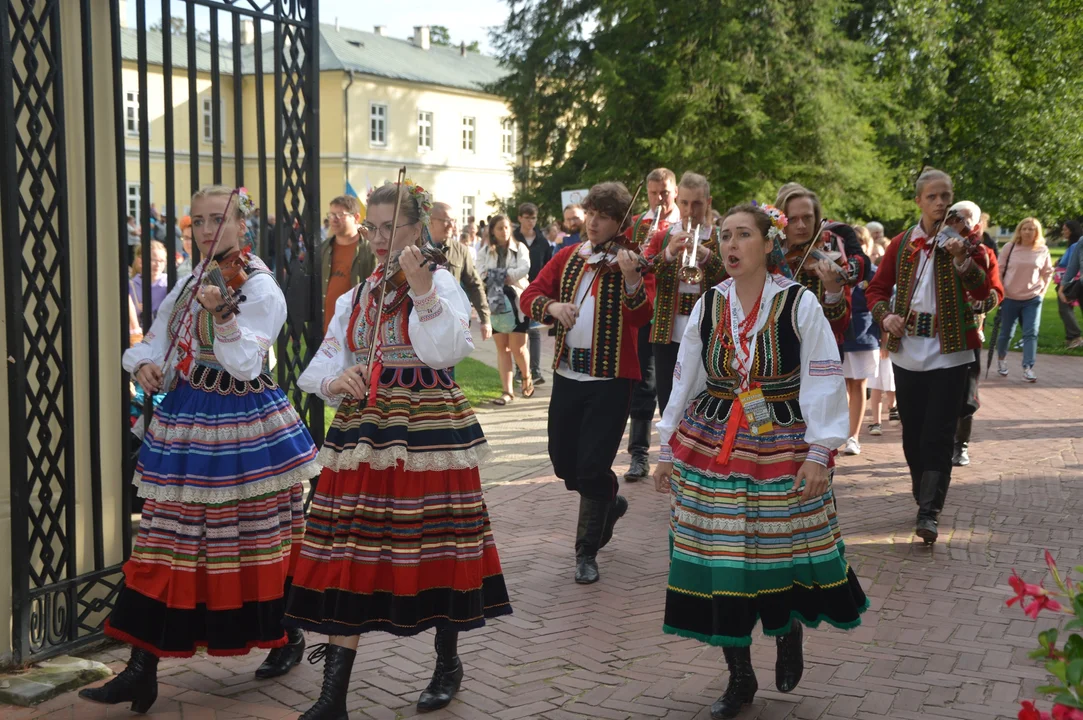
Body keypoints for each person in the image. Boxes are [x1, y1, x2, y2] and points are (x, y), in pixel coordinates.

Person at [79, 186, 320, 714]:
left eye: (219, 219)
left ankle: (290, 634)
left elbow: (246, 364)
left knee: (259, 540)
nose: (208, 230)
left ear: (242, 226)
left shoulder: (260, 288)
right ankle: (141, 669)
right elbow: (158, 345)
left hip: (243, 428)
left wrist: (225, 316)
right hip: (188, 423)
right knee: (165, 542)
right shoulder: (190, 282)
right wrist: (144, 364)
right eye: (199, 221)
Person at [286, 181, 511, 719]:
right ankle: (332, 696)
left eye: (393, 228)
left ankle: (446, 662)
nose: (382, 238)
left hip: (429, 431)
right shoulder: (357, 293)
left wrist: (423, 290)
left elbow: (448, 350)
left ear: (417, 229)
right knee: (352, 549)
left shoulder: (438, 282)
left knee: (437, 544)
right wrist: (333, 383)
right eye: (375, 228)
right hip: (363, 435)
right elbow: (323, 361)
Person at [652, 203, 867, 720]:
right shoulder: (708, 303)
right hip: (714, 441)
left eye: (743, 234)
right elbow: (686, 377)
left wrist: (821, 451)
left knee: (776, 551)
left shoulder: (798, 303)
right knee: (723, 556)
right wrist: (665, 446)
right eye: (725, 235)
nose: (730, 244)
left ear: (768, 244)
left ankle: (786, 629)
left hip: (781, 440)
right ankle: (739, 675)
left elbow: (823, 376)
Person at [521, 181, 651, 585]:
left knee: (593, 465)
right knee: (565, 464)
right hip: (567, 376)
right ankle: (609, 501)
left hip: (610, 381)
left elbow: (641, 317)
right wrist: (553, 306)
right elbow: (530, 295)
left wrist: (631, 279)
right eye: (590, 214)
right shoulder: (568, 256)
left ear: (620, 223)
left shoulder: (631, 261)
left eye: (603, 217)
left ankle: (586, 551)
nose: (593, 223)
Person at [865, 167, 1002, 543]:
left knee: (939, 434)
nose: (941, 203)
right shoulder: (901, 242)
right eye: (933, 197)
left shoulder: (972, 244)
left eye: (946, 196)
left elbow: (987, 292)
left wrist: (962, 260)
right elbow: (876, 290)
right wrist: (886, 316)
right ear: (919, 202)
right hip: (908, 351)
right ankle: (922, 489)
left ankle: (929, 511)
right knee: (913, 434)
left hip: (952, 353)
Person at [640, 171, 727, 432]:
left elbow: (729, 275)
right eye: (685, 203)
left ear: (708, 202)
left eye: (697, 203)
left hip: (709, 329)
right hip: (668, 330)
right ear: (678, 203)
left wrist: (706, 256)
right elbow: (646, 269)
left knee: (706, 396)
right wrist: (669, 253)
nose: (691, 210)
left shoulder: (721, 236)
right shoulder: (663, 235)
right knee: (669, 398)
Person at [623, 167, 680, 483]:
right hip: (646, 310)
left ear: (675, 190)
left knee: (676, 387)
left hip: (677, 313)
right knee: (643, 384)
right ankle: (639, 455)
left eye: (666, 192)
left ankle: (677, 454)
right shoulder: (637, 225)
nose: (660, 199)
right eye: (654, 193)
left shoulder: (684, 224)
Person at [948, 202, 1003, 466]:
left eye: (968, 217)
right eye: (958, 217)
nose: (963, 222)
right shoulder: (933, 247)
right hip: (936, 333)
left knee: (966, 395)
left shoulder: (983, 251)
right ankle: (942, 442)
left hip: (969, 332)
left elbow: (995, 291)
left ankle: (962, 445)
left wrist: (982, 303)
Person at [774, 183, 852, 342]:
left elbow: (840, 326)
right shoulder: (768, 256)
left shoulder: (830, 255)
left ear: (817, 219)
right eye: (793, 219)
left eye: (807, 218)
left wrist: (833, 291)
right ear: (780, 223)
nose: (801, 226)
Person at [475, 214, 534, 404]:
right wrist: (497, 277)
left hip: (516, 298)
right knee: (502, 347)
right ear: (493, 231)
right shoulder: (485, 250)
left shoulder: (520, 248)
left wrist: (507, 276)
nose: (504, 231)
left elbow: (525, 267)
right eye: (500, 228)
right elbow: (480, 271)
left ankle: (526, 377)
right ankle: (507, 391)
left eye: (507, 228)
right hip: (495, 298)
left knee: (518, 347)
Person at [995, 217, 1054, 381]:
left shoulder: (1042, 250)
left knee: (1031, 333)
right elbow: (999, 270)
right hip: (1010, 297)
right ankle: (1001, 360)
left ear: (1037, 232)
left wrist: (1042, 292)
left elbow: (1048, 272)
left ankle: (1028, 367)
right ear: (1019, 231)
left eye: (1031, 229)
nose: (1027, 232)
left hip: (1032, 299)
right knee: (1006, 333)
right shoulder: (1010, 247)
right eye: (1024, 228)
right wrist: (1001, 291)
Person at [838, 223, 877, 455]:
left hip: (863, 336)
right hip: (840, 336)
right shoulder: (836, 268)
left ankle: (853, 436)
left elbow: (881, 299)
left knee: (858, 384)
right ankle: (841, 430)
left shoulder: (871, 272)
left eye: (862, 243)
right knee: (838, 384)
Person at [430, 201, 491, 341]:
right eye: (447, 221)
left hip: (451, 320)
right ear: (431, 221)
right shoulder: (417, 247)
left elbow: (474, 284)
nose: (452, 225)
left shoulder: (460, 251)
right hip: (421, 318)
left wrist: (485, 319)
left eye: (453, 221)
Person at [322, 195, 376, 332]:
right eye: (332, 214)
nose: (334, 219)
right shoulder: (323, 249)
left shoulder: (370, 249)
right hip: (327, 329)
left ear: (356, 217)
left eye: (340, 214)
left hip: (357, 327)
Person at [515, 202, 554, 386]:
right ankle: (519, 370)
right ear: (520, 218)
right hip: (516, 288)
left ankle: (536, 370)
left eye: (534, 218)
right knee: (517, 331)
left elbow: (548, 265)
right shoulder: (513, 239)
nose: (531, 221)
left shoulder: (542, 241)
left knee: (535, 331)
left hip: (537, 289)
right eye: (527, 217)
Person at [128, 240, 170, 333]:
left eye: (162, 261)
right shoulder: (131, 286)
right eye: (153, 260)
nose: (158, 265)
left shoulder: (170, 284)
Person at [1056, 220, 1083, 348]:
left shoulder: (1075, 245)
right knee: (1065, 308)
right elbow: (1071, 264)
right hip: (1078, 283)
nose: (1063, 232)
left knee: (1065, 308)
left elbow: (1068, 264)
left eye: (1065, 229)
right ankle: (1072, 337)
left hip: (1074, 283)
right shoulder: (1077, 243)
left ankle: (1075, 336)